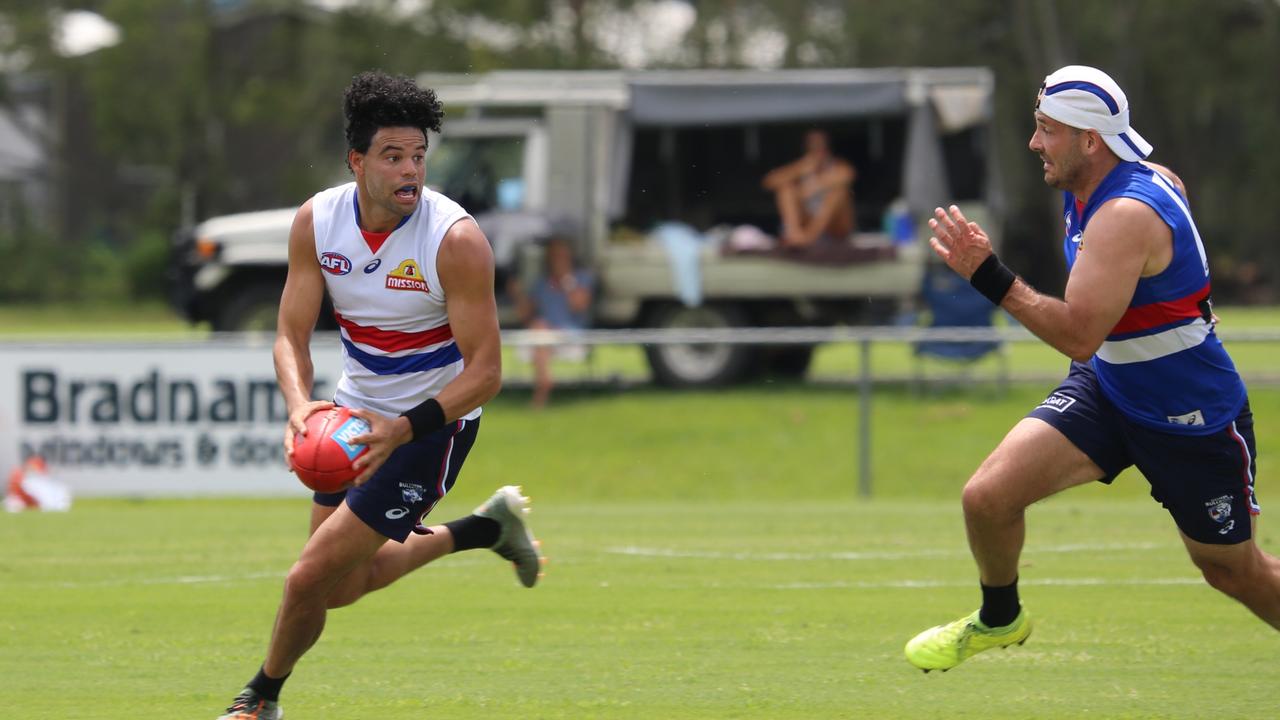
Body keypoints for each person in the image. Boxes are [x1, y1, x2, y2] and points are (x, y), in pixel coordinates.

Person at [904, 65, 1280, 672]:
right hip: (1110, 387)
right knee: (987, 499)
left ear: (1090, 139)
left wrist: (987, 274)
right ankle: (1001, 619)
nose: (1034, 144)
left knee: (1234, 572)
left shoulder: (1127, 212)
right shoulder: (1088, 192)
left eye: (1046, 130)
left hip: (1189, 413)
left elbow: (1079, 334)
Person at [216, 71, 544, 720]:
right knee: (339, 590)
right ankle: (483, 530)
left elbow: (485, 373)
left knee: (307, 578)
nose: (410, 172)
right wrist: (299, 405)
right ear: (357, 161)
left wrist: (403, 429)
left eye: (419, 157)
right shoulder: (318, 221)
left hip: (432, 426)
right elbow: (289, 332)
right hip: (351, 416)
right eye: (393, 157)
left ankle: (259, 698)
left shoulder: (455, 240)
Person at [510, 236, 595, 408]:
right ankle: (544, 381)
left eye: (560, 256)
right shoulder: (542, 283)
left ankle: (542, 389)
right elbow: (525, 314)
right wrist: (517, 294)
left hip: (571, 334)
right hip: (545, 335)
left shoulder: (582, 278)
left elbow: (579, 305)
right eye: (553, 256)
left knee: (540, 330)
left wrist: (566, 279)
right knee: (539, 329)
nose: (556, 260)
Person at [760, 128, 856, 248]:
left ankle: (808, 238)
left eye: (820, 146)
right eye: (813, 147)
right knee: (786, 189)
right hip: (807, 220)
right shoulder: (802, 166)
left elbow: (848, 176)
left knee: (839, 193)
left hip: (835, 227)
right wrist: (799, 168)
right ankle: (794, 235)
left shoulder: (838, 166)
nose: (817, 151)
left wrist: (813, 187)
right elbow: (769, 182)